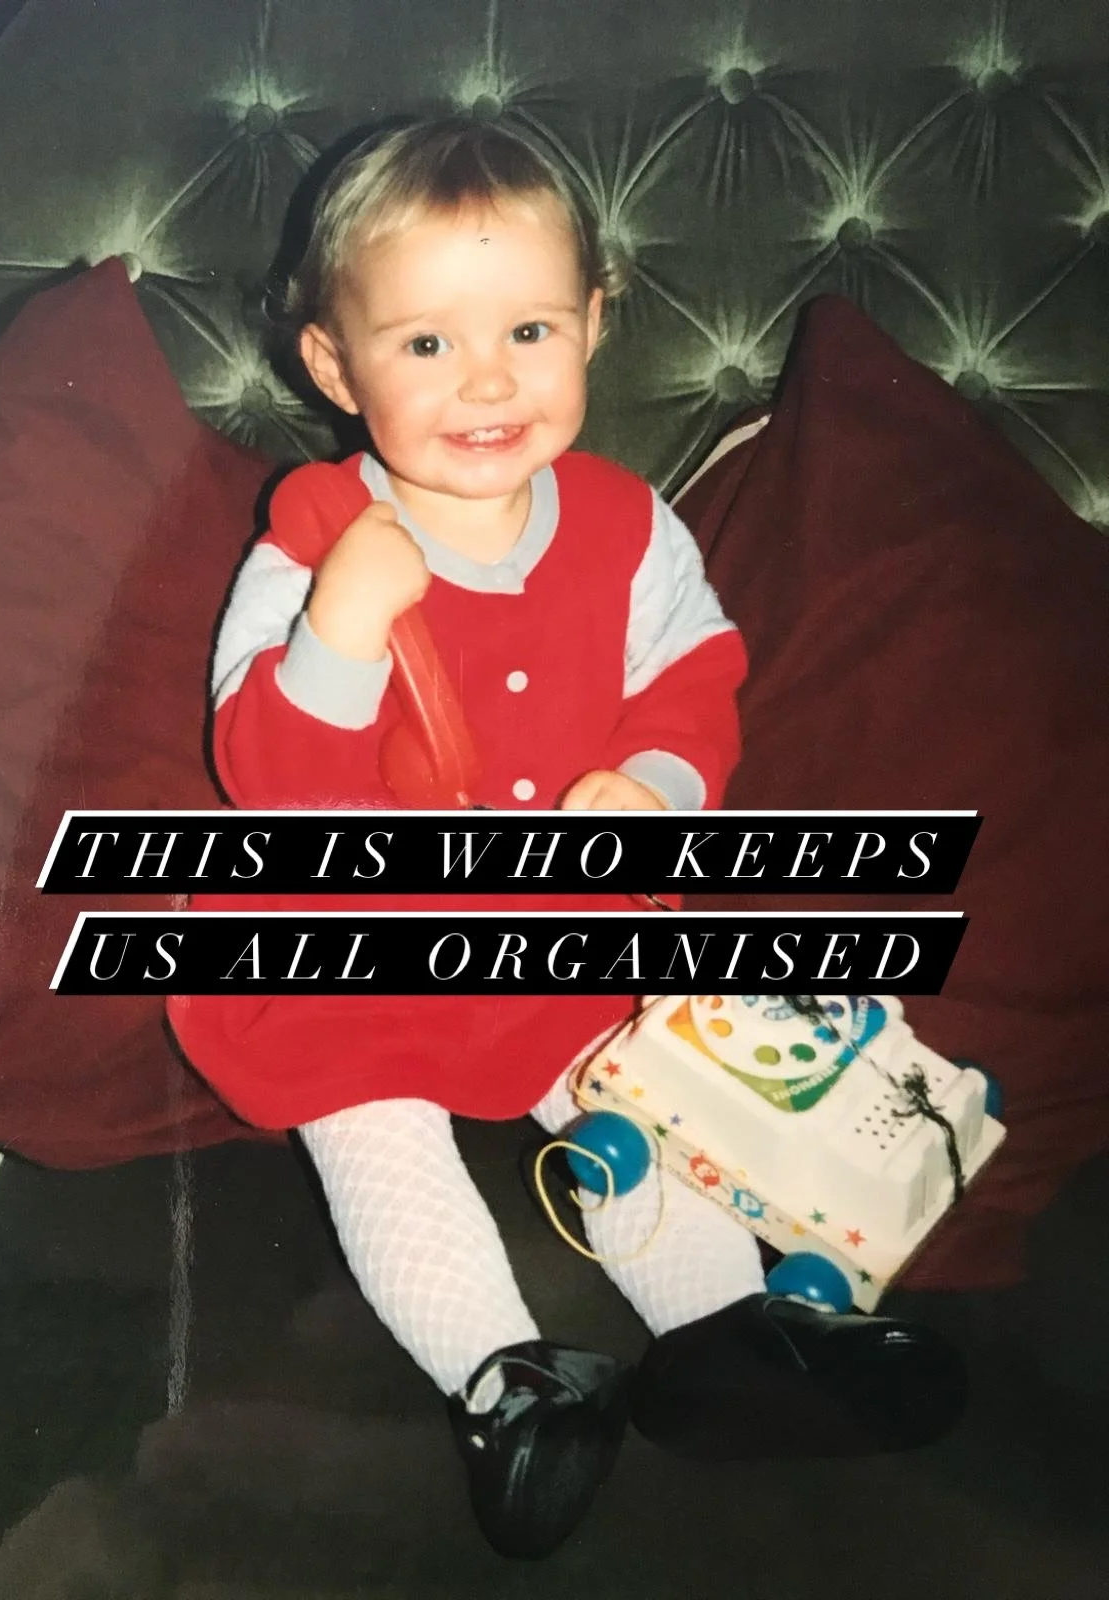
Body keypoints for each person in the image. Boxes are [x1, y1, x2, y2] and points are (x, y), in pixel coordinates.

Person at [166, 116, 965, 1560]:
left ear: (596, 322)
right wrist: (339, 631)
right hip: (359, 939)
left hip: (562, 925)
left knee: (636, 1100)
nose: (487, 380)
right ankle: (507, 1381)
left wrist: (653, 785)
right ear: (334, 368)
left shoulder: (629, 525)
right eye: (426, 344)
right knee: (374, 1128)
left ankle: (731, 1338)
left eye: (529, 330)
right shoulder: (311, 543)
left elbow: (693, 681)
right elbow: (266, 786)